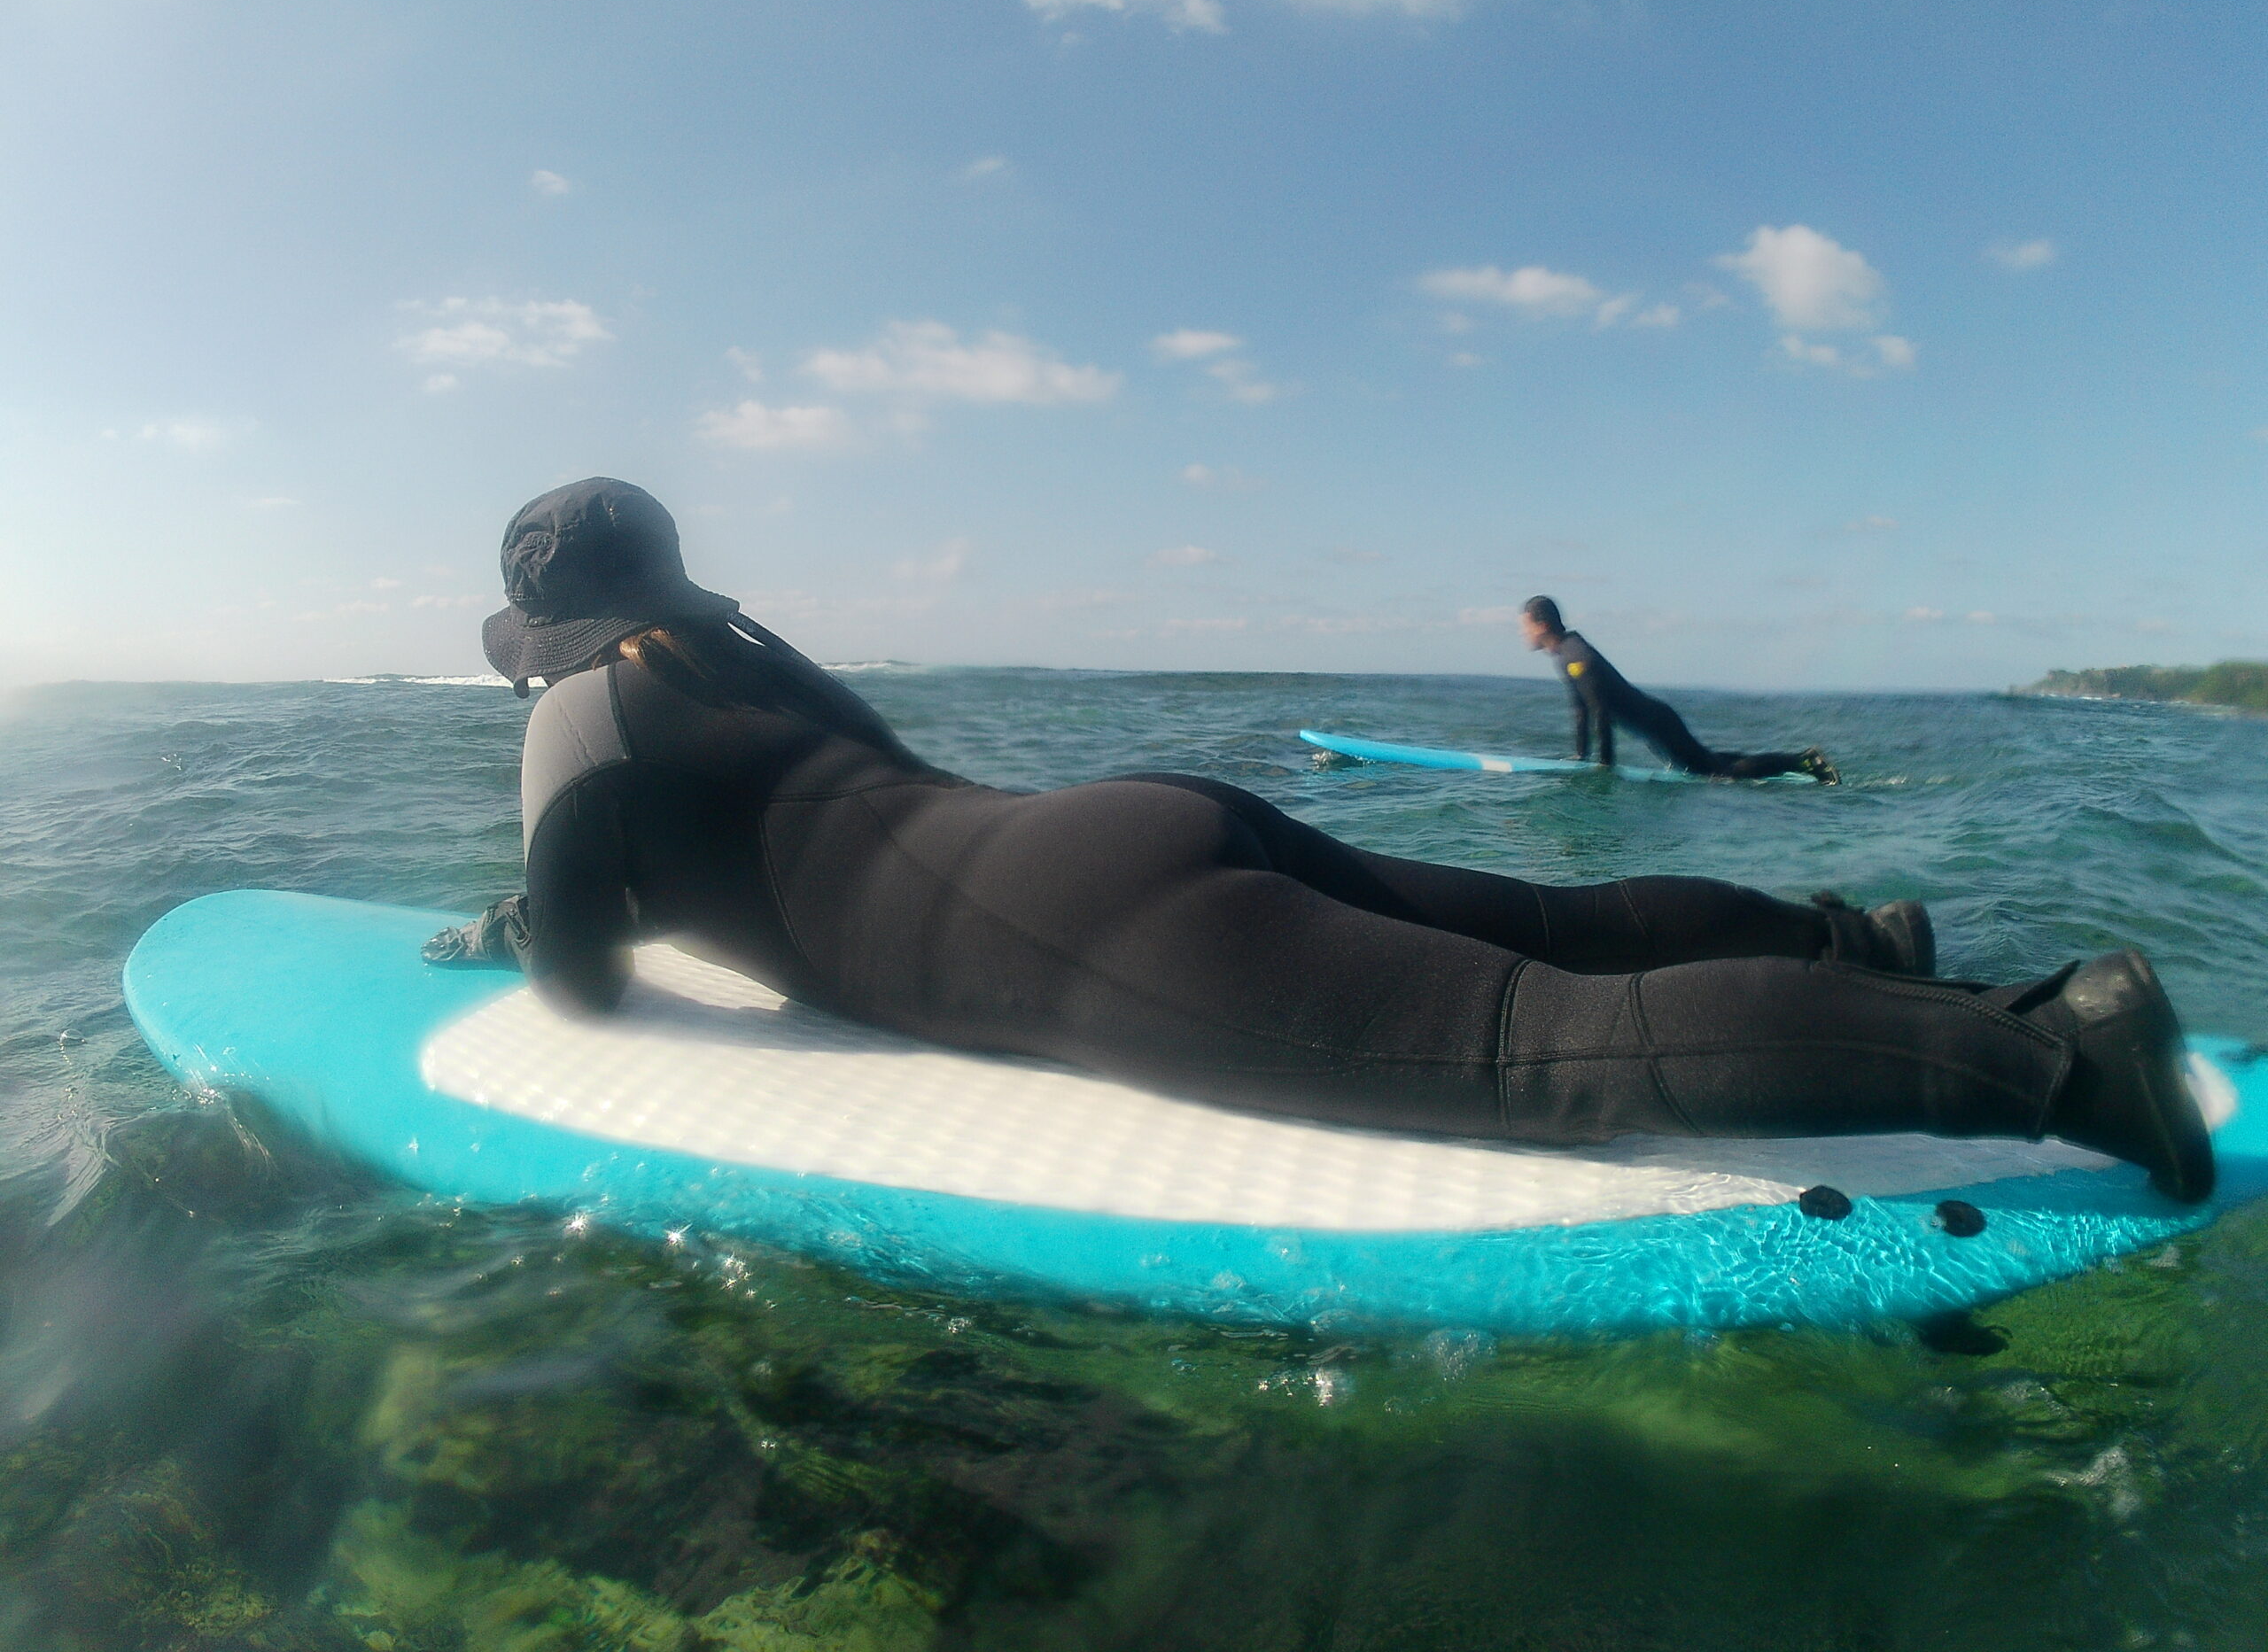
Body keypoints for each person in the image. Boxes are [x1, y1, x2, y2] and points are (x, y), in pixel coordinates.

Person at [429, 478, 2213, 1204]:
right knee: (1555, 918)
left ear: (537, 622)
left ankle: (2058, 1060)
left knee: (1531, 1047)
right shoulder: (747, 652)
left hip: (1066, 942)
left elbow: (586, 983)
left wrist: (527, 924)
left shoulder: (579, 712)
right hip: (1114, 827)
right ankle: (1862, 943)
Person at [1519, 596, 1840, 783]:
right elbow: (1581, 710)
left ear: (1543, 625)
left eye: (1526, 626)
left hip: (1657, 724)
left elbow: (1600, 711)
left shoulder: (1577, 657)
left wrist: (1605, 767)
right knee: (1708, 762)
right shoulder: (1563, 655)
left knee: (1719, 775)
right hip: (1653, 726)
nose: (1524, 633)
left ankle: (1804, 762)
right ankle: (1799, 762)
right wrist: (1581, 756)